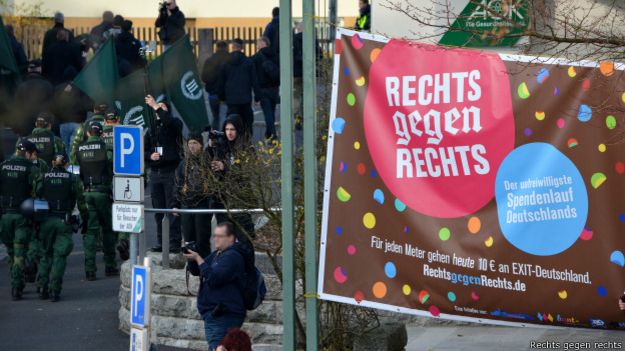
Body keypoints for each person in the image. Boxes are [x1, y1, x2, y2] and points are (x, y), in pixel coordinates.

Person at [184, 222, 247, 350]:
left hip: (223, 315)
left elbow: (213, 278)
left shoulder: (232, 256)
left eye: (220, 236)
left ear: (231, 237)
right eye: (214, 236)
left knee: (218, 348)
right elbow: (198, 271)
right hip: (217, 315)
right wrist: (192, 259)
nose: (216, 239)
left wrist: (198, 258)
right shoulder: (218, 254)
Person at [36, 153, 88, 302]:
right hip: (63, 221)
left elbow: (37, 194)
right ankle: (55, 290)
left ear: (52, 163)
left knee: (46, 254)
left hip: (46, 220)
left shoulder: (43, 177)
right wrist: (86, 219)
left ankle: (42, 287)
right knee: (60, 256)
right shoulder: (72, 178)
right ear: (66, 164)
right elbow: (81, 201)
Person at [0, 140, 42, 300]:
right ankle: (17, 286)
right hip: (22, 216)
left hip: (4, 216)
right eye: (34, 154)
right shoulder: (31, 169)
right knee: (19, 252)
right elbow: (38, 191)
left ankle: (17, 281)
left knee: (11, 252)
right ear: (29, 153)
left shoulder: (3, 166)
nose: (35, 157)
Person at [76, 120, 117, 280]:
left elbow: (74, 169)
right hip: (102, 193)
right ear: (101, 133)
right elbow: (113, 168)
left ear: (87, 133)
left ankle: (90, 270)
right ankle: (110, 265)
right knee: (107, 229)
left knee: (90, 232)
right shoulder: (106, 149)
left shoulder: (79, 149)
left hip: (86, 193)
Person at [144, 95, 183, 253]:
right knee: (159, 210)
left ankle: (174, 242)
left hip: (170, 172)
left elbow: (169, 122)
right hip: (156, 173)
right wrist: (149, 156)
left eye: (162, 108)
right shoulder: (153, 128)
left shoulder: (174, 124)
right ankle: (162, 241)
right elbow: (144, 149)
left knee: (172, 209)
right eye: (156, 109)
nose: (158, 111)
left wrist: (156, 106)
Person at [174, 133, 212, 258]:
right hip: (186, 206)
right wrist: (175, 204)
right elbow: (177, 185)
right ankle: (192, 270)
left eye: (195, 143)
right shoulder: (183, 164)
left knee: (202, 241)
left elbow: (214, 186)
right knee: (189, 243)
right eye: (190, 143)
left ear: (201, 145)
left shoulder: (208, 162)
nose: (192, 146)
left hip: (202, 206)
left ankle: (205, 272)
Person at [101, 110, 130, 261]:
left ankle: (110, 248)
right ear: (118, 119)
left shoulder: (98, 134)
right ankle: (123, 238)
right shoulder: (125, 132)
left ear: (105, 121)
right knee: (124, 208)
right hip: (123, 177)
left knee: (109, 214)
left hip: (103, 181)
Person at [218, 39, 261, 137]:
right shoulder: (248, 62)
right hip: (245, 99)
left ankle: (231, 145)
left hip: (231, 99)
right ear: (242, 48)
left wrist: (221, 97)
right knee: (247, 123)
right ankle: (247, 144)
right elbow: (255, 81)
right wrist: (258, 97)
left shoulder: (225, 63)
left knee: (231, 122)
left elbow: (221, 82)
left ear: (232, 47)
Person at [252, 36, 280, 140]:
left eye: (258, 43)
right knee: (271, 112)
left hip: (262, 89)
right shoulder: (276, 55)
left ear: (262, 44)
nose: (257, 45)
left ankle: (273, 135)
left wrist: (256, 96)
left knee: (267, 113)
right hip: (274, 88)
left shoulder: (255, 58)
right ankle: (269, 133)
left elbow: (254, 77)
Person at [201, 40, 230, 131]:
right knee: (228, 117)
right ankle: (227, 138)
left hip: (213, 93)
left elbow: (204, 77)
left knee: (215, 117)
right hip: (228, 94)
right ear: (227, 47)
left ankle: (215, 138)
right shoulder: (230, 59)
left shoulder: (209, 60)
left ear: (216, 47)